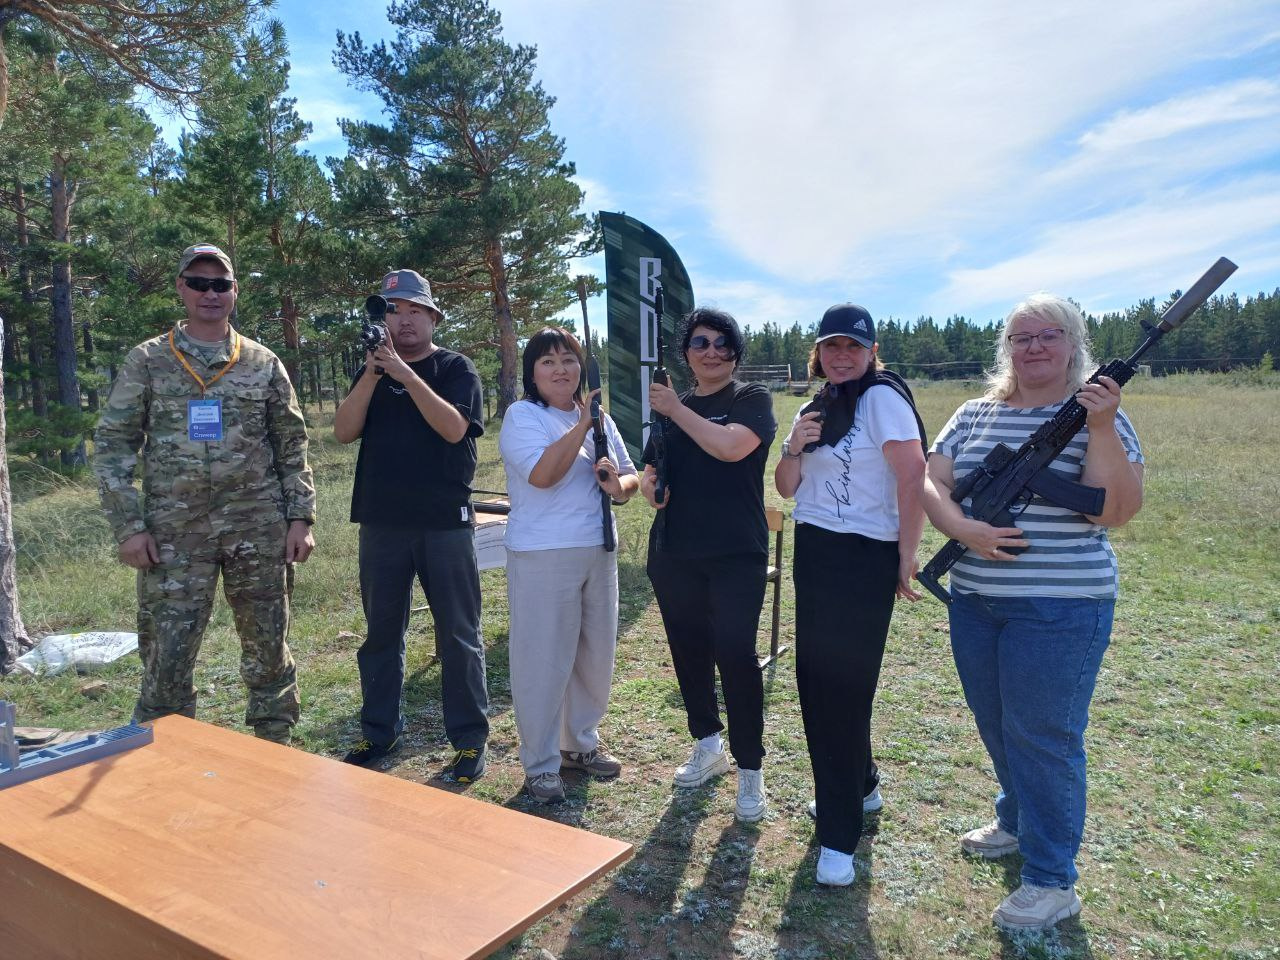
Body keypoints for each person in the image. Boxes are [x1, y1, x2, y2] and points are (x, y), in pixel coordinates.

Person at [922, 294, 1144, 931]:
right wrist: (963, 529)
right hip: (975, 600)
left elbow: (1116, 510)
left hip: (1061, 606)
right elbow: (931, 480)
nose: (1034, 347)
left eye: (1049, 335)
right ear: (1007, 349)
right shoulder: (973, 413)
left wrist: (1101, 426)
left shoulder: (1100, 415)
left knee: (1043, 737)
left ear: (1073, 345)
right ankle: (1016, 822)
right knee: (996, 722)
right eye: (1021, 338)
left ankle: (1051, 880)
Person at [95, 242, 316, 744]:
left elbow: (291, 444)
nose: (209, 293)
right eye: (198, 283)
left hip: (257, 526)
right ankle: (167, 749)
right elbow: (112, 447)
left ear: (234, 292)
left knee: (267, 644)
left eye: (220, 285)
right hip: (174, 534)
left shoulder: (262, 362)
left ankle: (275, 743)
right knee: (167, 652)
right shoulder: (148, 360)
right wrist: (129, 527)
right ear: (181, 288)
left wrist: (300, 518)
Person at [774, 303, 927, 886]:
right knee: (820, 680)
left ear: (871, 352)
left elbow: (913, 474)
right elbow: (787, 488)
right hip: (816, 550)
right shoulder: (817, 405)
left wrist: (906, 553)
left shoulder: (882, 399)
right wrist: (793, 446)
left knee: (840, 691)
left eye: (853, 347)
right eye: (832, 346)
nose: (842, 356)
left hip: (864, 554)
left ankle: (839, 836)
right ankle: (860, 786)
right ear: (818, 352)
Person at [334, 269, 489, 781]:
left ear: (433, 317)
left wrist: (404, 373)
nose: (402, 320)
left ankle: (469, 740)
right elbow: (343, 431)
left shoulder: (455, 367)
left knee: (458, 635)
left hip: (444, 523)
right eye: (393, 311)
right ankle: (379, 731)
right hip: (382, 522)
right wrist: (373, 373)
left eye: (414, 310)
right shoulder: (372, 372)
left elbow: (454, 429)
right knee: (381, 634)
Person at [642, 307, 777, 822]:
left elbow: (730, 448)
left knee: (736, 654)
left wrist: (676, 409)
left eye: (723, 343)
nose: (712, 352)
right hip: (675, 552)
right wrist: (651, 487)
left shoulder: (750, 399)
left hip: (736, 553)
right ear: (686, 352)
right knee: (689, 650)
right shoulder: (670, 406)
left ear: (736, 353)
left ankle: (750, 768)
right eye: (700, 343)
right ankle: (707, 744)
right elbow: (651, 467)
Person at [498, 328, 640, 804]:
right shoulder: (523, 416)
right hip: (543, 553)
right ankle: (540, 764)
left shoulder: (604, 420)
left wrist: (617, 487)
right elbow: (542, 475)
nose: (560, 369)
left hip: (598, 549)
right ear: (532, 373)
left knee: (594, 657)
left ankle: (579, 744)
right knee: (543, 661)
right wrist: (581, 424)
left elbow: (629, 475)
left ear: (582, 367)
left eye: (569, 359)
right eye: (548, 362)